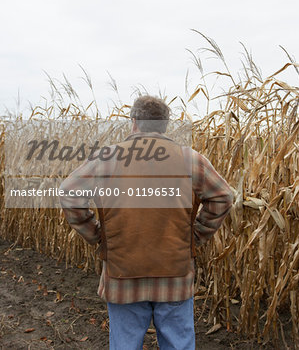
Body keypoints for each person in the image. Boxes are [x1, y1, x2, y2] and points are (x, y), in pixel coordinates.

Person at [59, 95, 233, 350]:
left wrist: (96, 234)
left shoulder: (107, 158)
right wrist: (196, 235)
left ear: (133, 123)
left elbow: (68, 192)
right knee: (179, 344)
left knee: (125, 345)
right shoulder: (189, 159)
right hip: (175, 274)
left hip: (122, 274)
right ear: (164, 125)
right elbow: (223, 196)